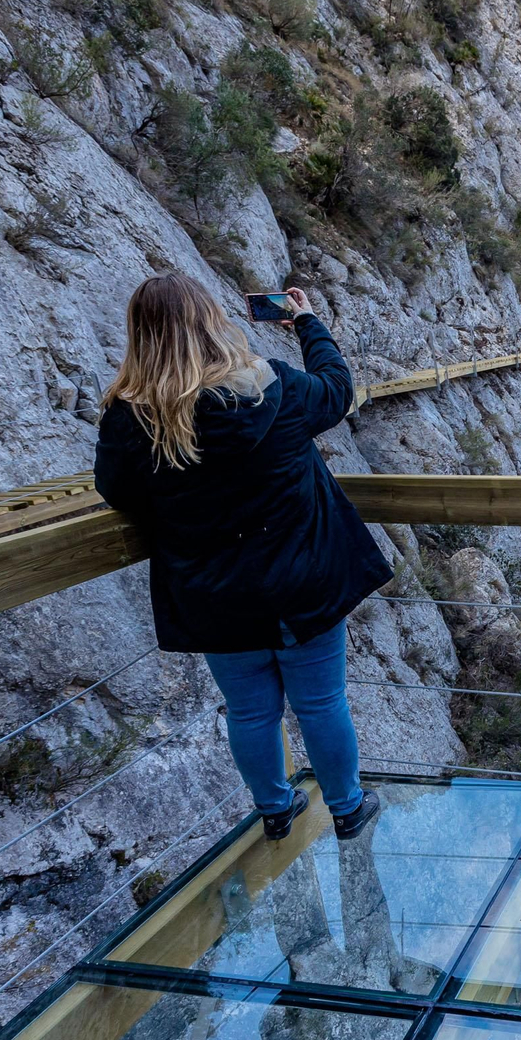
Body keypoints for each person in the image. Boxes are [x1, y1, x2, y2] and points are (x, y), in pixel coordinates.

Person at [95, 273, 391, 845]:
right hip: (304, 582)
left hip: (217, 595)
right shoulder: (271, 388)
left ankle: (275, 809)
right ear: (212, 321)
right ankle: (347, 809)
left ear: (141, 336)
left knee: (250, 713)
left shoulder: (132, 421)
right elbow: (337, 389)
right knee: (322, 702)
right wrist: (306, 322)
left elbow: (119, 493)